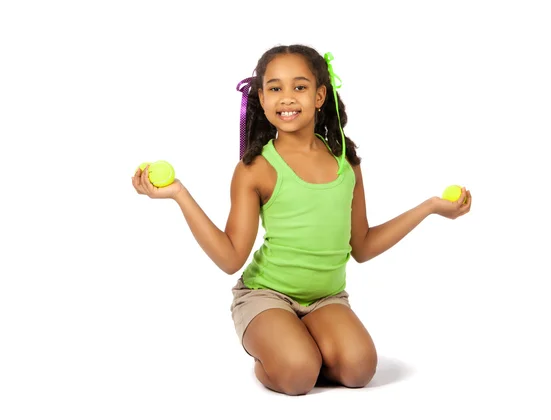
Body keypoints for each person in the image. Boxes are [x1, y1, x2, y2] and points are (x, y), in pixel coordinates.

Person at [131, 44, 472, 396]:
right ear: (261, 99)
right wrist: (179, 194)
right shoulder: (255, 168)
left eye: (300, 87)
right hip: (266, 295)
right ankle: (282, 352)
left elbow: (363, 246)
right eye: (275, 88)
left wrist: (430, 207)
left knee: (359, 370)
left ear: (320, 95)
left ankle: (301, 343)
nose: (287, 98)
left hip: (327, 299)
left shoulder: (346, 163)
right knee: (297, 376)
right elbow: (230, 257)